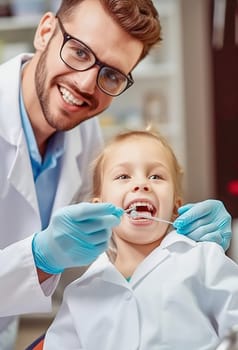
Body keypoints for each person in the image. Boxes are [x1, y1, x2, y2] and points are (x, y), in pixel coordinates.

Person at [0, 0, 232, 348]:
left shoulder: (84, 132)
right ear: (45, 31)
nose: (84, 84)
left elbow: (99, 250)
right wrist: (39, 257)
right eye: (79, 52)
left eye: (110, 74)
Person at [43, 130, 238, 350]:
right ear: (98, 207)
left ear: (176, 205)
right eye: (123, 176)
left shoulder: (203, 260)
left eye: (156, 176)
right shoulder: (81, 292)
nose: (141, 184)